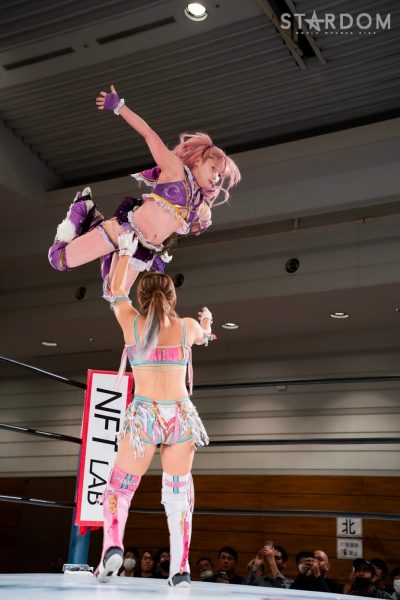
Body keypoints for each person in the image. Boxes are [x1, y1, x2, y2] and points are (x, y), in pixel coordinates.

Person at [95, 233, 214, 587]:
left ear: (142, 298)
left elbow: (115, 291)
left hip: (144, 416)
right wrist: (207, 324)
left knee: (120, 489)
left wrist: (124, 253)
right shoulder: (186, 327)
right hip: (181, 416)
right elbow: (204, 336)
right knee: (179, 494)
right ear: (173, 298)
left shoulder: (131, 322)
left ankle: (112, 546)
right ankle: (180, 568)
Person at [48, 85, 241, 301]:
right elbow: (149, 134)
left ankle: (96, 226)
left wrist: (202, 221)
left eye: (220, 175)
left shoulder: (199, 204)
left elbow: (191, 225)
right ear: (198, 160)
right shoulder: (175, 170)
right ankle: (82, 209)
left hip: (141, 249)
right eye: (213, 169)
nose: (216, 178)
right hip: (123, 231)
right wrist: (119, 107)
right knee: (58, 260)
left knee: (114, 296)